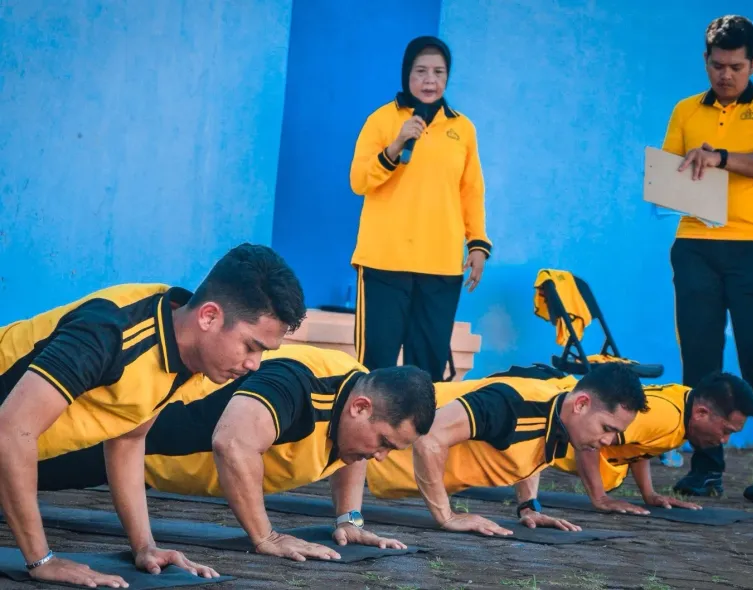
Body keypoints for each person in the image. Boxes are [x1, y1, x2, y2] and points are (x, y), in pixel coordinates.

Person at [0, 243, 306, 588]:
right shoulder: (109, 331)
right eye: (251, 346)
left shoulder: (184, 349)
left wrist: (145, 547)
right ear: (209, 317)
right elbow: (12, 431)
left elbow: (129, 438)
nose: (254, 364)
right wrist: (42, 560)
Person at [36, 345, 437, 562]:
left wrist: (349, 518)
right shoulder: (297, 383)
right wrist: (266, 537)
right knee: (22, 466)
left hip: (146, 464)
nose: (380, 456)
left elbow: (352, 450)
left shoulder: (356, 396)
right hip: (117, 442)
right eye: (385, 442)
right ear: (361, 408)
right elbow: (233, 443)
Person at [662, 14, 753, 503]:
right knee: (699, 358)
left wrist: (719, 157)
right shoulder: (685, 110)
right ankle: (706, 468)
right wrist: (667, 182)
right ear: (706, 60)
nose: (726, 75)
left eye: (736, 67)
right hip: (694, 244)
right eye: (717, 65)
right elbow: (671, 174)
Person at [349, 35, 492, 381]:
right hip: (385, 260)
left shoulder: (462, 128)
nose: (430, 80)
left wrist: (477, 244)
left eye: (438, 72)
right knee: (375, 368)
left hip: (440, 264)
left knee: (426, 371)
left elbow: (471, 191)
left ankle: (418, 420)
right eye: (421, 71)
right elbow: (359, 181)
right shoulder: (382, 120)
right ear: (407, 74)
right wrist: (396, 145)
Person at [365, 362, 648, 536]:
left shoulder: (558, 412)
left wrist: (529, 507)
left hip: (381, 463)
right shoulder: (510, 405)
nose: (608, 441)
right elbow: (429, 440)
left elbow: (530, 447)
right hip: (367, 444)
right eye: (607, 428)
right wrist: (447, 517)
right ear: (582, 404)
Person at [515, 371, 753, 515]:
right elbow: (589, 442)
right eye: (725, 430)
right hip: (533, 404)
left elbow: (641, 444)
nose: (724, 440)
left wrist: (649, 494)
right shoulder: (664, 417)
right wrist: (600, 498)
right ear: (701, 413)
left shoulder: (685, 407)